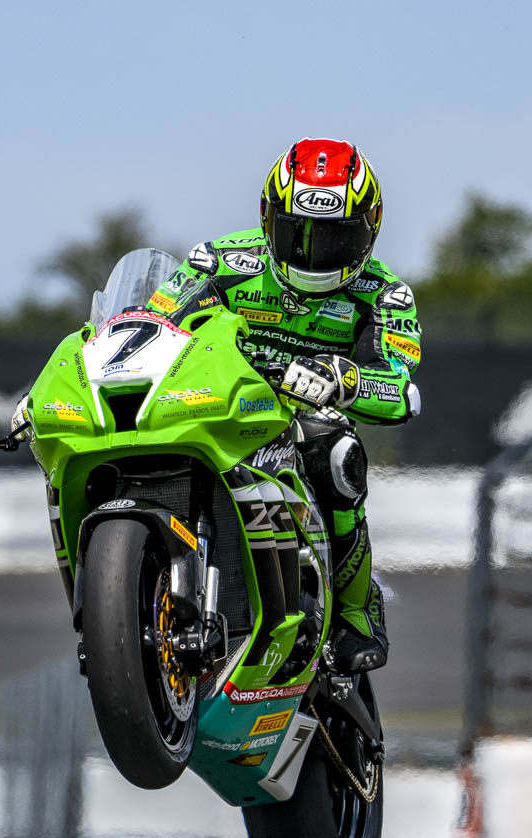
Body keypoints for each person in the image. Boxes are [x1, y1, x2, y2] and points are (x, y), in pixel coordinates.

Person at [146, 138, 421, 674]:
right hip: (216, 406)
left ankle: (357, 611)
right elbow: (155, 324)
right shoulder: (217, 262)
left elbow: (400, 387)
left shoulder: (386, 295)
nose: (313, 253)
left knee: (338, 453)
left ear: (369, 230)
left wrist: (345, 379)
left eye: (335, 238)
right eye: (298, 233)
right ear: (269, 219)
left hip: (298, 426)